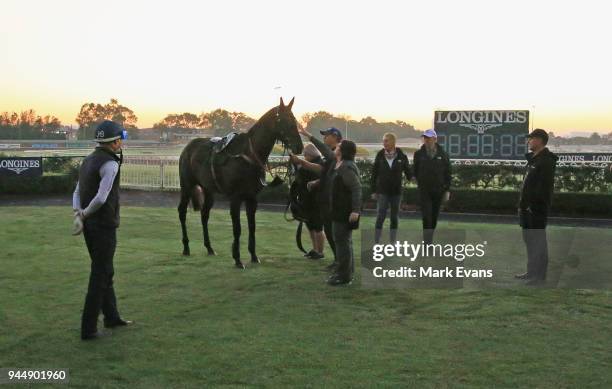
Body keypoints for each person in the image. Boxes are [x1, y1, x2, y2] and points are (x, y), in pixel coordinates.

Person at [72, 120, 133, 340]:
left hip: (90, 226)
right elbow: (101, 197)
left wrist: (78, 213)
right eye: (121, 139)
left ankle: (112, 317)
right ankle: (88, 329)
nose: (122, 143)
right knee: (100, 275)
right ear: (115, 141)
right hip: (104, 225)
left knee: (105, 271)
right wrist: (85, 214)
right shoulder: (111, 164)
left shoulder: (88, 160)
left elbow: (77, 191)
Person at [294, 126, 343, 270]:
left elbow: (322, 151)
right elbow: (324, 172)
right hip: (326, 199)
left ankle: (341, 263)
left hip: (332, 200)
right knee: (329, 231)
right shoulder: (330, 156)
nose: (324, 138)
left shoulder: (335, 154)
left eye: (326, 135)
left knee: (335, 233)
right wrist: (316, 180)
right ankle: (337, 260)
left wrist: (308, 135)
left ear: (334, 137)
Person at [515, 128, 558, 286]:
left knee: (538, 242)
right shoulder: (533, 160)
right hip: (527, 209)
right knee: (530, 241)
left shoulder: (546, 161)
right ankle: (531, 271)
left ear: (539, 140)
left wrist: (533, 206)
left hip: (536, 210)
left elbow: (543, 188)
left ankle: (539, 276)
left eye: (531, 138)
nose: (528, 141)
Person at [328, 140, 362, 285]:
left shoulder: (346, 168)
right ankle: (346, 273)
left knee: (342, 242)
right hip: (338, 209)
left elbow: (356, 188)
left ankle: (344, 276)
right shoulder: (339, 165)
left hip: (345, 211)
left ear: (342, 151)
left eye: (339, 147)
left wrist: (355, 211)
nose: (336, 148)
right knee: (344, 242)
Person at [370, 132, 411, 243]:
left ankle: (392, 242)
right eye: (383, 141)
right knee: (380, 217)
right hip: (382, 191)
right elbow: (374, 174)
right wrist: (373, 190)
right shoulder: (380, 155)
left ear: (393, 142)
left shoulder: (401, 156)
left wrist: (417, 177)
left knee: (394, 218)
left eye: (386, 140)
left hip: (396, 192)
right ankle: (376, 241)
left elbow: (408, 172)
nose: (384, 143)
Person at [413, 129, 451, 244]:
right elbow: (415, 170)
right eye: (425, 138)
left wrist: (447, 190)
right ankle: (427, 243)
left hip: (439, 191)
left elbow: (448, 173)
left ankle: (429, 239)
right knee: (426, 217)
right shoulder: (418, 154)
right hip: (424, 191)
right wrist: (416, 178)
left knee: (434, 217)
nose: (426, 140)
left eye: (428, 138)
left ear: (435, 139)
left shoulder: (443, 154)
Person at [291, 143, 325, 259]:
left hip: (316, 200)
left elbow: (314, 170)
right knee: (310, 225)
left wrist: (299, 162)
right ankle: (315, 249)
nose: (304, 157)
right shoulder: (312, 163)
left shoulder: (320, 163)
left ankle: (320, 251)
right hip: (306, 199)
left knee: (318, 226)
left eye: (305, 155)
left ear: (310, 155)